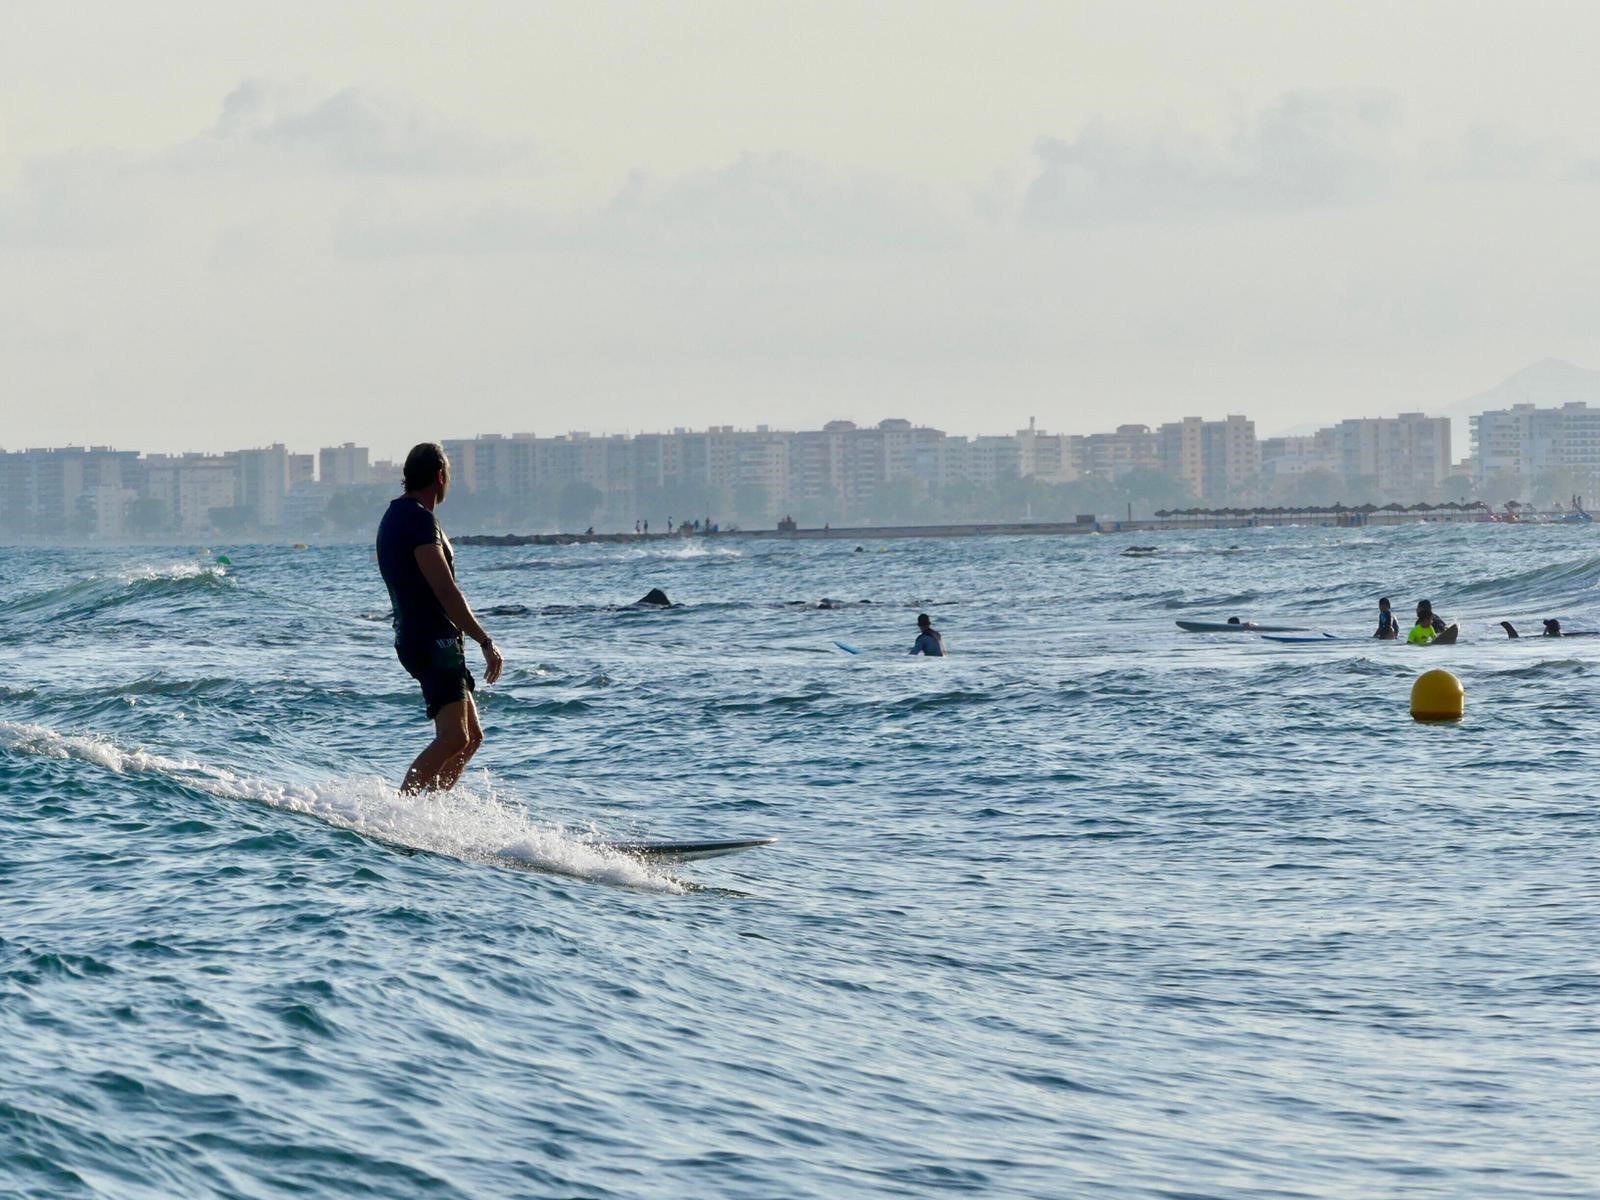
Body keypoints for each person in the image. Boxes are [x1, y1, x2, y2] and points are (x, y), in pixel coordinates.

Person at [377, 442, 504, 794]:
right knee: (454, 736)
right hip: (434, 641)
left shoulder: (399, 515)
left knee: (471, 737)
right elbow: (445, 591)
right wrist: (485, 640)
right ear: (440, 476)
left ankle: (430, 812)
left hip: (428, 639)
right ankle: (401, 811)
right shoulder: (418, 519)